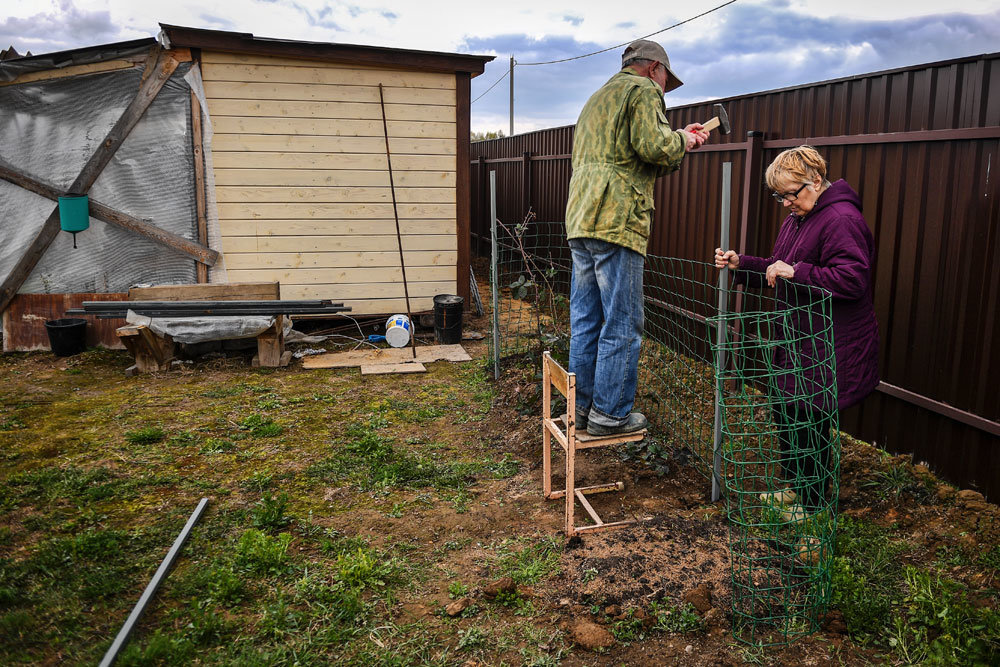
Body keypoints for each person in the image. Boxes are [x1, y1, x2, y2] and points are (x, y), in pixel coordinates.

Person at [714, 145, 879, 519]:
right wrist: (744, 264)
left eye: (792, 192)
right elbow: (780, 267)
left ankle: (814, 504)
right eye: (779, 195)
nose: (786, 202)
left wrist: (797, 272)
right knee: (787, 414)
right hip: (797, 339)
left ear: (816, 181)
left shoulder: (841, 219)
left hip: (828, 343)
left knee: (811, 423)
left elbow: (852, 279)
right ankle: (793, 488)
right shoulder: (801, 216)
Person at [566, 39, 708, 437]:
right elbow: (654, 146)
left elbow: (635, 158)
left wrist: (678, 138)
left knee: (586, 319)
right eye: (666, 81)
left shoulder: (597, 98)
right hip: (617, 219)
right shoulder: (643, 90)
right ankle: (609, 415)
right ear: (654, 70)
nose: (664, 89)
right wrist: (684, 140)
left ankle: (578, 408)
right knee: (623, 321)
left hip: (581, 218)